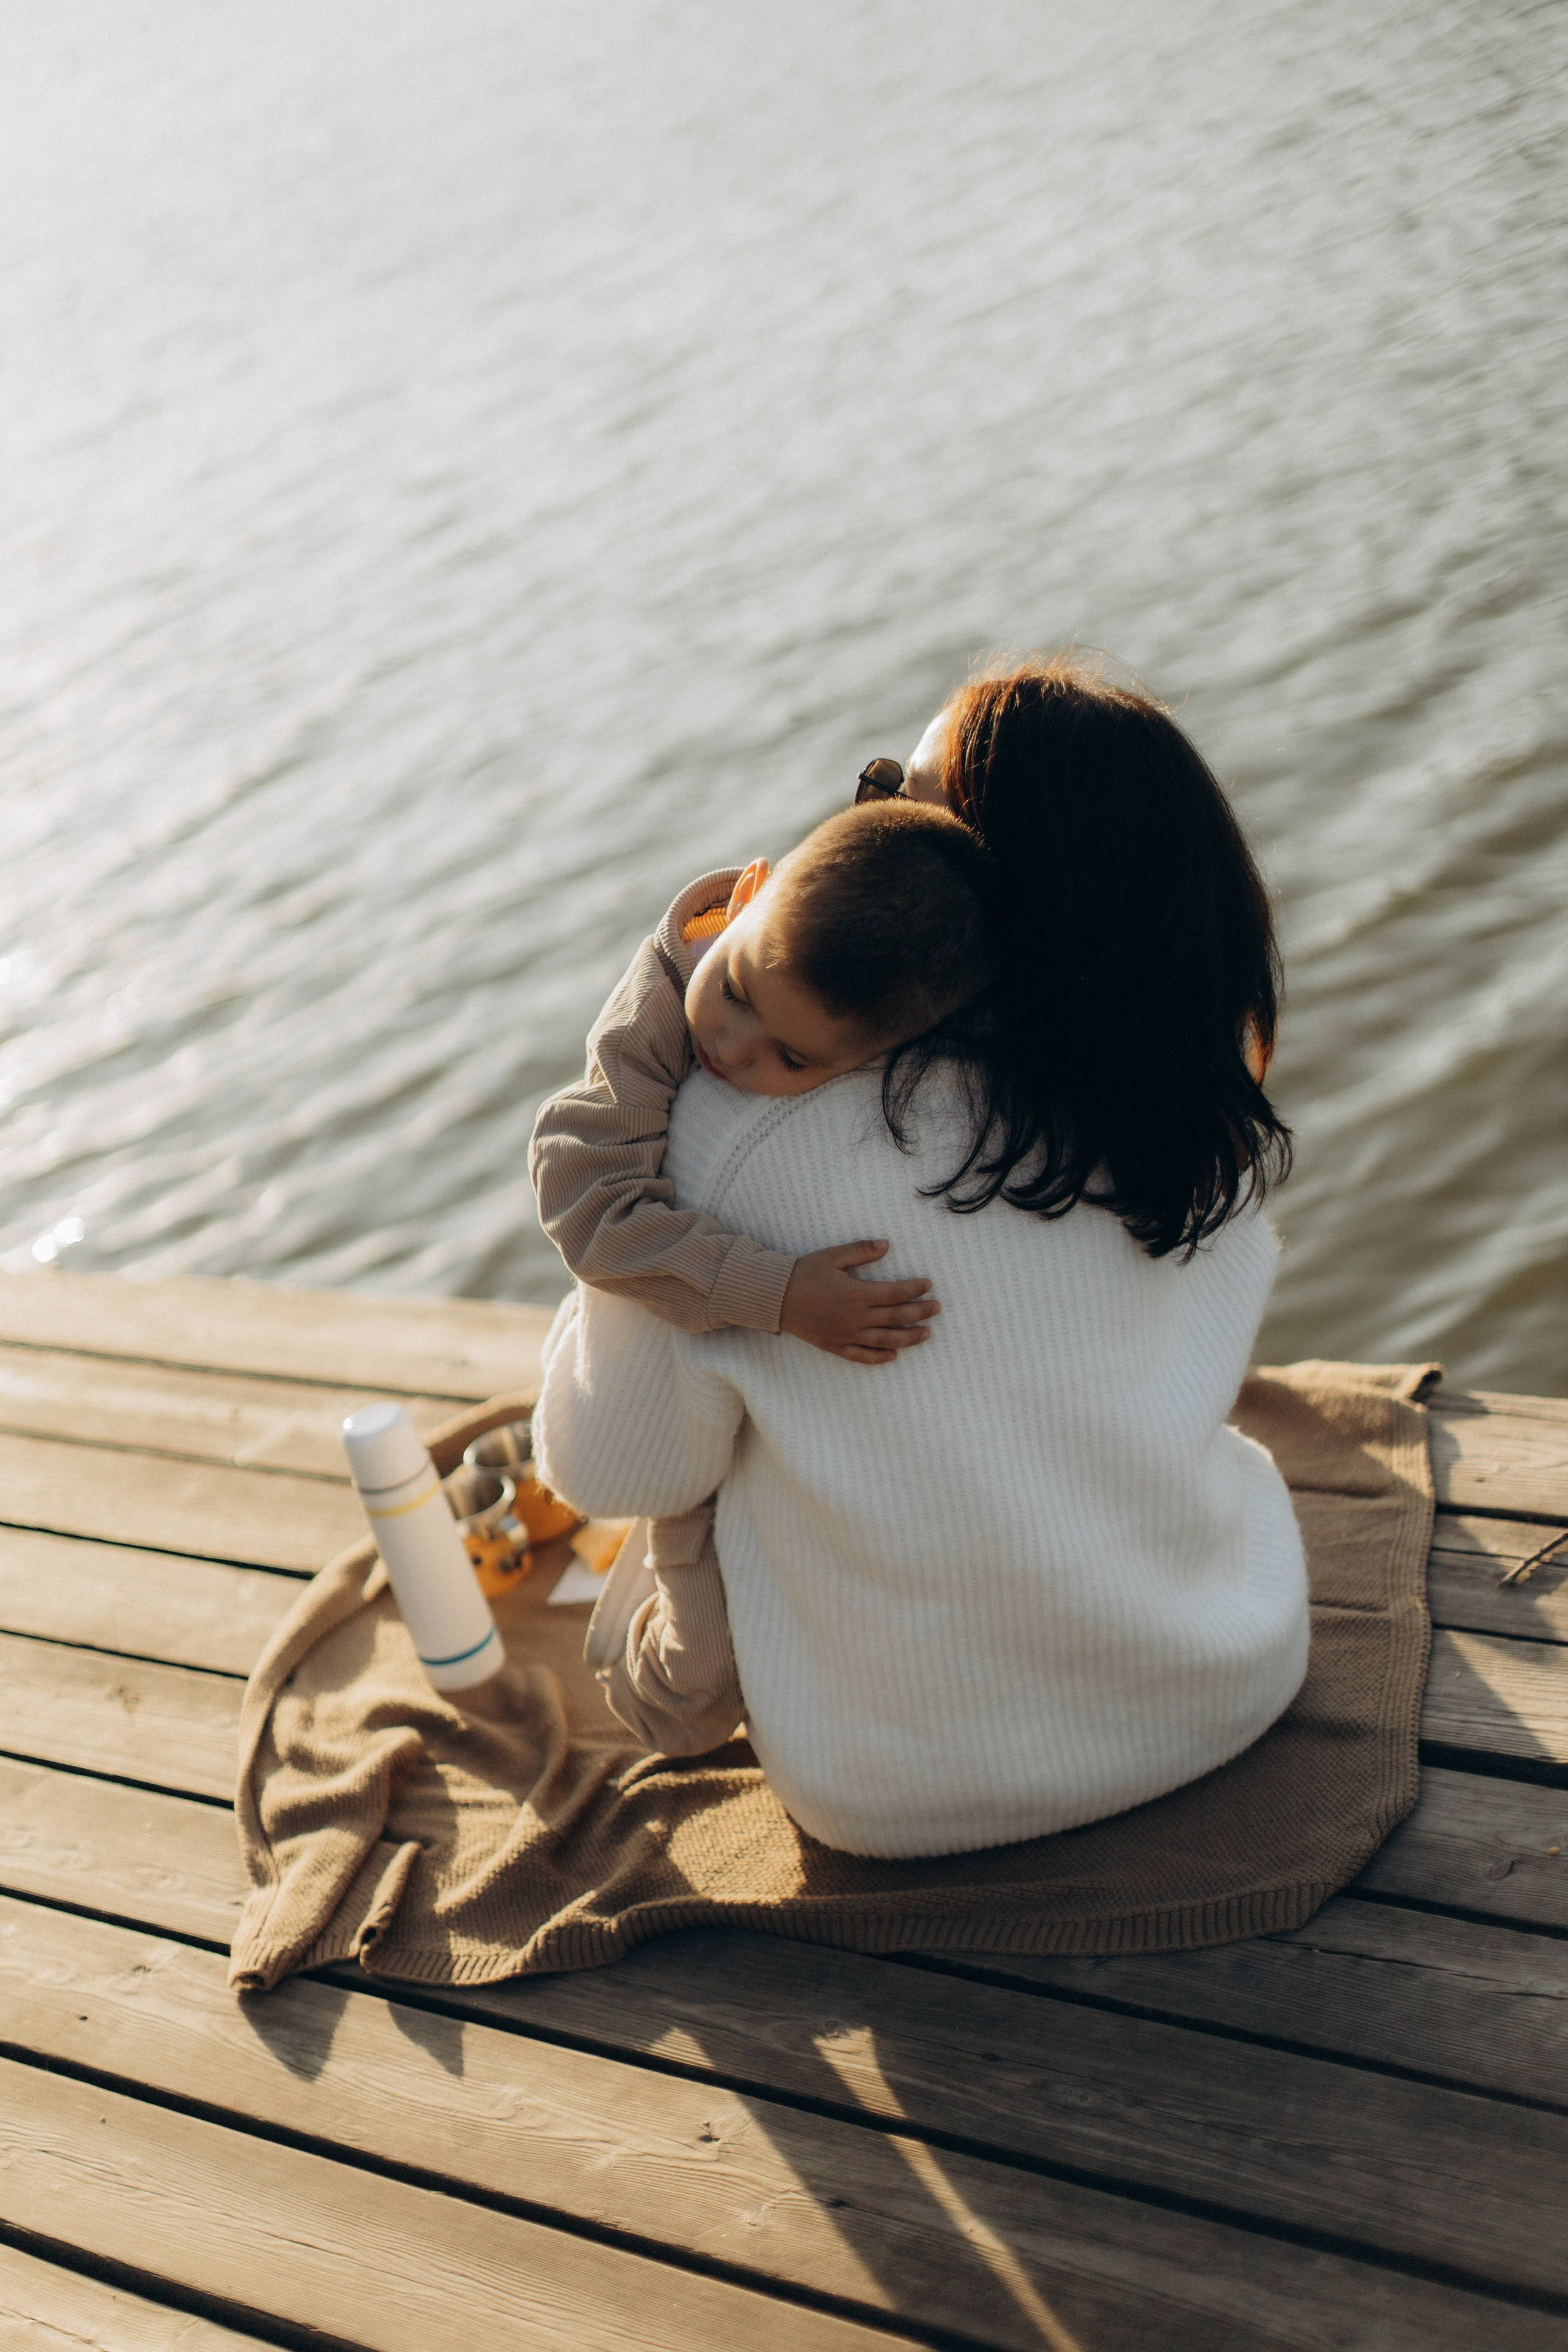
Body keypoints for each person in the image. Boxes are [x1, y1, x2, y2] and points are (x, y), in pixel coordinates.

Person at [533, 654, 1310, 1859]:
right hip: (1224, 1679)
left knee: (679, 1504)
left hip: (896, 1794)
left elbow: (610, 1467)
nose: (871, 822)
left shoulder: (731, 1121)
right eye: (874, 786)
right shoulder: (1181, 1099)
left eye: (899, 796)